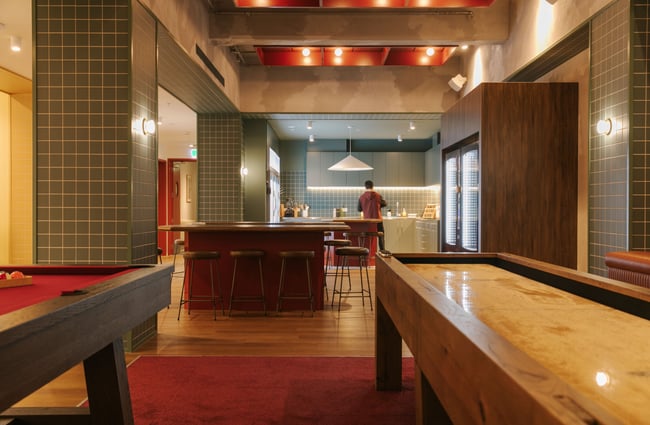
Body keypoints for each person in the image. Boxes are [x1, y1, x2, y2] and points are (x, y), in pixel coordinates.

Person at [357, 180, 387, 252]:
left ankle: (366, 251)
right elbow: (385, 204)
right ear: (373, 186)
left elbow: (359, 209)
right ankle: (382, 250)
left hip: (367, 221)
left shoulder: (361, 197)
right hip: (378, 220)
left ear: (365, 187)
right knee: (381, 235)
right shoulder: (378, 196)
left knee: (368, 236)